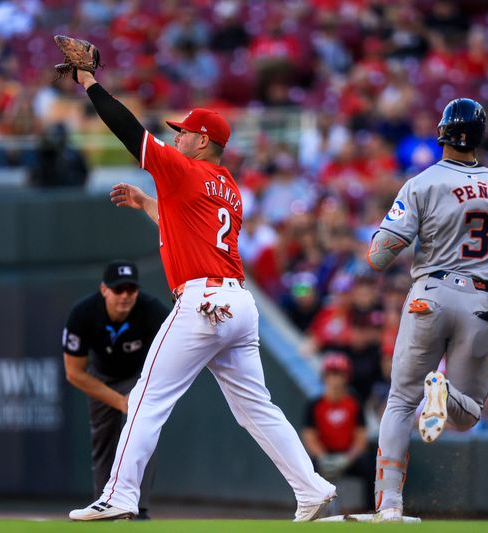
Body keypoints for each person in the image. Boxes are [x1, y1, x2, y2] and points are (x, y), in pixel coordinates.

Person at [68, 59, 336, 522]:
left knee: (148, 398)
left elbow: (127, 129)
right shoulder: (228, 186)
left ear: (204, 140)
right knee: (257, 408)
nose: (177, 137)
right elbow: (193, 228)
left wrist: (90, 82)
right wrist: (150, 203)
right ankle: (311, 488)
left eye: (184, 132)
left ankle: (120, 495)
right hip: (239, 303)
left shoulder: (183, 170)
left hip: (204, 302)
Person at [364, 98, 488, 521]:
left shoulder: (423, 182)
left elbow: (379, 256)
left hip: (431, 293)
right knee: (467, 416)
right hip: (483, 302)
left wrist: (380, 242)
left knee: (401, 402)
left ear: (443, 132)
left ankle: (389, 505)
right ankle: (441, 390)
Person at [63, 260, 169, 520]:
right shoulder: (83, 314)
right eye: (118, 289)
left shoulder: (152, 310)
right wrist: (120, 401)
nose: (124, 296)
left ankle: (139, 509)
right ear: (104, 290)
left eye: (130, 290)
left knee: (144, 435)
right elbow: (74, 372)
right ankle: (106, 506)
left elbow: (172, 355)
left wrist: (144, 392)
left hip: (138, 376)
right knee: (104, 440)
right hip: (101, 378)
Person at [302, 353, 374, 512]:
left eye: (339, 375)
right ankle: (307, 509)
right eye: (331, 375)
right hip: (324, 456)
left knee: (370, 467)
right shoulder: (315, 404)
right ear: (325, 377)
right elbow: (309, 436)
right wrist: (322, 456)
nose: (335, 380)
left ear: (346, 377)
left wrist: (348, 458)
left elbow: (361, 436)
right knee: (303, 469)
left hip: (348, 457)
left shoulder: (354, 402)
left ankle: (372, 510)